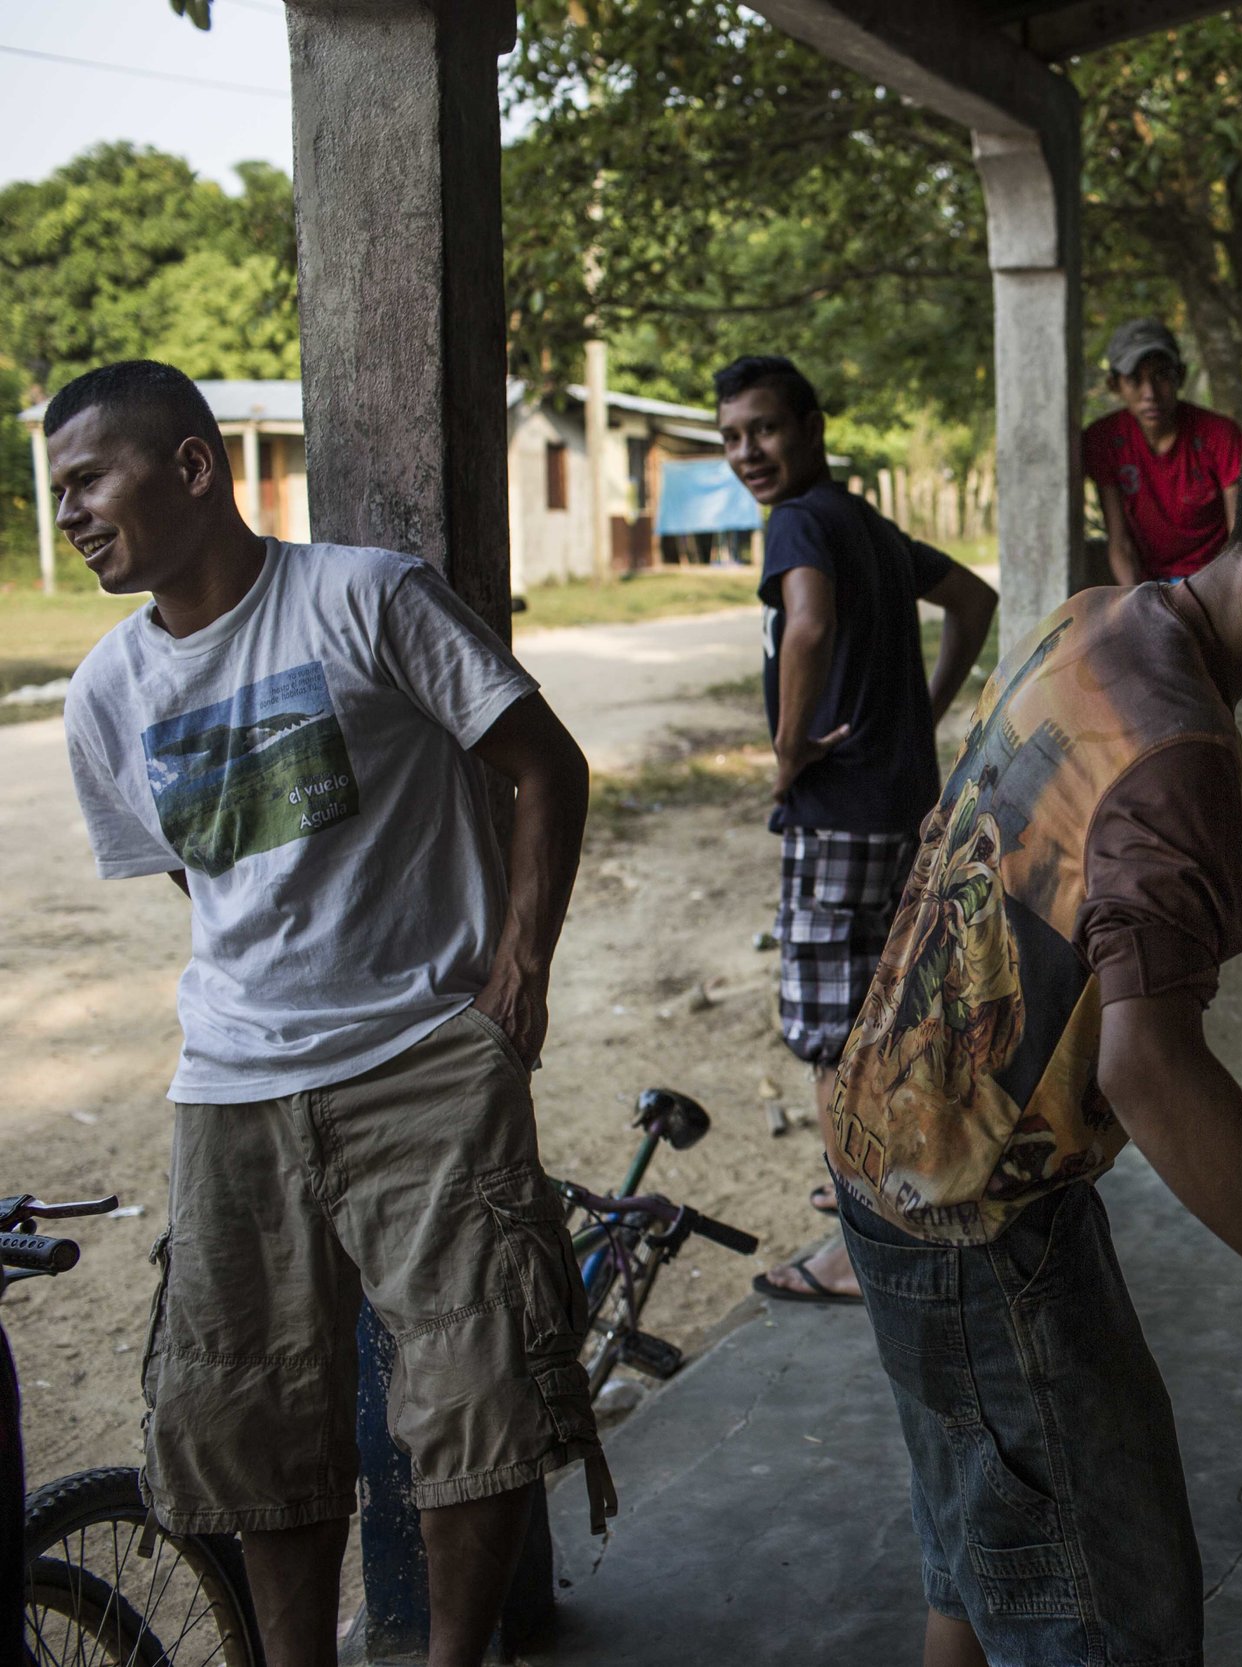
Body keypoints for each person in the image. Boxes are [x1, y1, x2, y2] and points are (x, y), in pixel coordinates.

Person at [824, 367, 1242, 1667]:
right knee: (1109, 1609)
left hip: (886, 1155)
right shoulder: (1182, 747)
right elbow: (1152, 1065)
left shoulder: (1100, 617)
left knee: (982, 1547)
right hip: (980, 1216)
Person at [51, 360, 602, 1667]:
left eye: (89, 480)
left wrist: (517, 973)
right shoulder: (106, 695)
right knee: (252, 1413)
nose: (69, 512)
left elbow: (544, 766)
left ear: (192, 465)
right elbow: (211, 881)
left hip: (425, 1063)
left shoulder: (365, 598)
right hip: (232, 1090)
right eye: (57, 489)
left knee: (478, 1389)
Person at [713, 354, 998, 1305]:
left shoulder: (799, 522)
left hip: (835, 818)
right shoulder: (862, 522)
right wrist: (919, 713)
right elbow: (974, 601)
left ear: (812, 425)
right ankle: (890, 1210)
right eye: (731, 438)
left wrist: (788, 749)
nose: (747, 452)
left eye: (763, 428)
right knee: (887, 1027)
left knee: (834, 1040)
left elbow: (807, 625)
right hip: (899, 813)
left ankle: (857, 1254)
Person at [1082, 317, 1242, 893]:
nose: (1150, 392)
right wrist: (1142, 606)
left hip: (1219, 576)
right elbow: (1118, 540)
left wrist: (1219, 603)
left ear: (1180, 378)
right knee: (1140, 679)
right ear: (1116, 387)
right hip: (1152, 582)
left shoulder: (1217, 435)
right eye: (1136, 380)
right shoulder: (1105, 440)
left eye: (1162, 376)